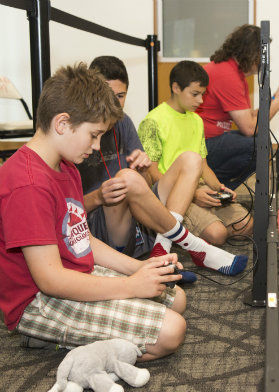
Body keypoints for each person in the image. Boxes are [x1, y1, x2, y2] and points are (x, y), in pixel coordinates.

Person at [0, 64, 186, 361]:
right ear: (62, 123)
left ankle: (80, 336)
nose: (97, 146)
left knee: (177, 299)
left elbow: (82, 239)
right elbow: (50, 280)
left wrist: (138, 269)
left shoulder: (66, 166)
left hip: (73, 272)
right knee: (172, 331)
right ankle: (49, 339)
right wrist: (129, 286)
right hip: (39, 300)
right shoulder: (28, 184)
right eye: (94, 135)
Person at [78, 56, 247, 279]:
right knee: (125, 178)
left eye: (120, 96)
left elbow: (146, 186)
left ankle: (163, 247)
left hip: (138, 218)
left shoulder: (124, 122)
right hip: (100, 227)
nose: (115, 104)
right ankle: (194, 246)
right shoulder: (76, 130)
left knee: (192, 159)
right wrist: (99, 196)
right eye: (108, 95)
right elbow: (64, 211)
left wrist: (142, 170)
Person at [139, 61, 254, 247]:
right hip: (173, 193)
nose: (200, 100)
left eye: (202, 94)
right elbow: (151, 173)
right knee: (218, 234)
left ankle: (188, 234)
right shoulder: (153, 121)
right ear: (176, 88)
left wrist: (219, 189)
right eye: (195, 94)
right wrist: (193, 194)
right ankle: (179, 231)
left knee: (246, 225)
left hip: (199, 187)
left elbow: (204, 165)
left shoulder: (196, 121)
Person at [196, 24, 279, 190]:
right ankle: (216, 188)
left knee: (261, 142)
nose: (265, 60)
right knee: (256, 147)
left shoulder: (233, 73)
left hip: (209, 141)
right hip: (201, 146)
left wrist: (274, 99)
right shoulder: (227, 75)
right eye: (262, 54)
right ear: (252, 53)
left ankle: (217, 188)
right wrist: (278, 105)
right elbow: (250, 128)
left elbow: (251, 117)